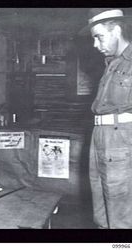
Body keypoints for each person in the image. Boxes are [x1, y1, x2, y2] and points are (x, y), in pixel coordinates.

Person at [80, 8, 132, 228]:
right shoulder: (112, 63)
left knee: (120, 212)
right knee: (101, 210)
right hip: (100, 137)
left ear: (117, 30)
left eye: (99, 37)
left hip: (120, 140)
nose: (95, 44)